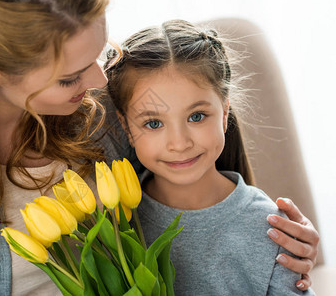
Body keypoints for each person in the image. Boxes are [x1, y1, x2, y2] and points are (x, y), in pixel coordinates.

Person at [0, 0, 318, 294]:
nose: (98, 81)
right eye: (69, 77)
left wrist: (275, 244)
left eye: (100, 53)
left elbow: (189, 197)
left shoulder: (103, 97)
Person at [104, 19, 316, 295]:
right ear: (126, 127)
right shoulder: (116, 221)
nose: (179, 143)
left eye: (196, 117)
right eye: (154, 123)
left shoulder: (272, 230)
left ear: (225, 112)